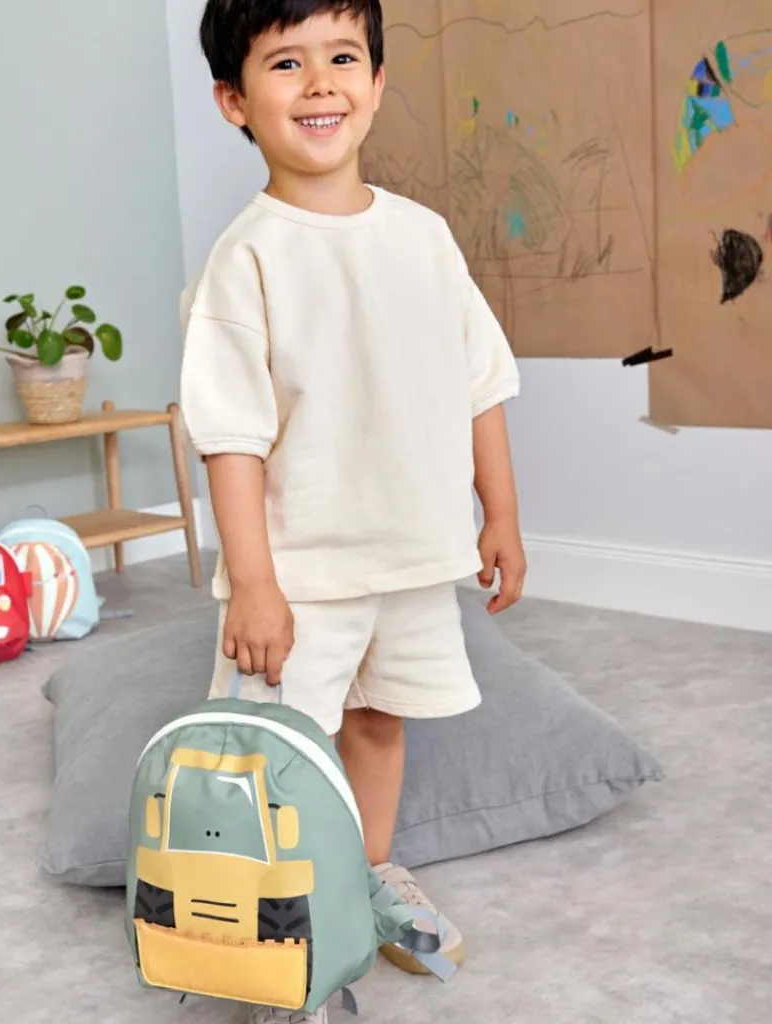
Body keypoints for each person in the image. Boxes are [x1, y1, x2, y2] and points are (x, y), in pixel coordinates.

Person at [179, 2, 526, 1019]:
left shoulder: (425, 238)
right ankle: (283, 937)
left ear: (375, 82)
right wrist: (254, 584)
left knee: (378, 723)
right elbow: (231, 434)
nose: (321, 82)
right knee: (279, 757)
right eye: (286, 64)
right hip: (302, 572)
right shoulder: (247, 258)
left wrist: (500, 516)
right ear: (234, 101)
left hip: (412, 555)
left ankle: (365, 877)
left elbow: (479, 384)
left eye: (342, 57)